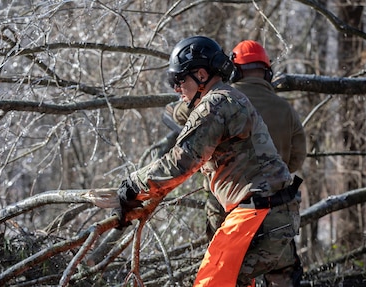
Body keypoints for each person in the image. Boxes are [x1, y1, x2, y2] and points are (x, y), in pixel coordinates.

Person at [115, 36, 302, 286]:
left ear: (201, 74)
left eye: (179, 80)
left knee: (213, 283)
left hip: (260, 213)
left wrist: (132, 186)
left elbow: (180, 163)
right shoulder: (227, 97)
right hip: (268, 211)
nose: (176, 88)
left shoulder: (215, 103)